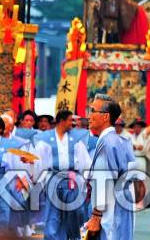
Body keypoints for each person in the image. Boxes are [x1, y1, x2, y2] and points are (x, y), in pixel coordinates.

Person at [31, 109, 90, 240]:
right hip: (53, 179)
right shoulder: (46, 139)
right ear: (62, 121)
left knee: (75, 212)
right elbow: (38, 160)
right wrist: (35, 177)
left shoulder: (76, 139)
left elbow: (84, 160)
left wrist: (86, 179)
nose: (72, 123)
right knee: (53, 214)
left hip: (72, 180)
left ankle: (73, 236)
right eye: (70, 120)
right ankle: (53, 237)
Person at [86, 94, 134, 240]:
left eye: (93, 111)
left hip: (109, 212)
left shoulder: (106, 144)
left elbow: (103, 183)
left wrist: (96, 216)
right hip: (123, 206)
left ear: (105, 117)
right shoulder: (123, 142)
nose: (89, 116)